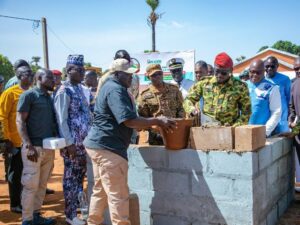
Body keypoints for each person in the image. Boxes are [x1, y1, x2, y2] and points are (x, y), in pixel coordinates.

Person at [83, 58, 176, 225]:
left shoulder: (109, 86)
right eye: (128, 75)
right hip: (109, 149)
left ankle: (93, 222)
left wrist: (151, 123)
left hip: (98, 146)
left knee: (100, 191)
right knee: (118, 196)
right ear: (118, 74)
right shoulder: (115, 90)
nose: (130, 79)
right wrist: (157, 121)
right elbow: (129, 121)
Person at [54, 54, 92, 225]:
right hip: (73, 145)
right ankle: (70, 215)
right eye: (80, 70)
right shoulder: (64, 91)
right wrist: (69, 144)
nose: (83, 73)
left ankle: (77, 211)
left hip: (84, 144)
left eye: (84, 69)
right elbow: (61, 120)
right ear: (69, 70)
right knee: (71, 179)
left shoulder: (79, 88)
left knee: (80, 178)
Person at [16, 69, 57, 225]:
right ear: (39, 78)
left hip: (48, 148)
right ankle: (27, 220)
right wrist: (28, 145)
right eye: (50, 78)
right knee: (30, 185)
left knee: (42, 184)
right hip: (33, 149)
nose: (54, 80)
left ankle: (36, 215)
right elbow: (20, 121)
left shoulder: (48, 97)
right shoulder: (29, 95)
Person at [183, 52, 251, 126]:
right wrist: (192, 110)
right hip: (207, 130)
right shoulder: (204, 83)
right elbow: (188, 99)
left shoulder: (240, 86)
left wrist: (235, 127)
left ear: (231, 70)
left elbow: (246, 112)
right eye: (217, 71)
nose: (219, 75)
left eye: (223, 73)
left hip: (229, 131)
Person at [0, 66, 34, 214]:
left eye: (32, 73)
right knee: (16, 172)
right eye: (28, 74)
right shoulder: (9, 94)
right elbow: (2, 117)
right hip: (14, 141)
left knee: (29, 172)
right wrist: (6, 139)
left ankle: (25, 200)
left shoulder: (33, 92)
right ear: (19, 76)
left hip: (31, 141)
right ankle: (15, 204)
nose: (31, 76)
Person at [138, 64, 184, 145]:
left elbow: (181, 108)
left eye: (159, 73)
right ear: (149, 77)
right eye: (154, 75)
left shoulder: (174, 89)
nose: (158, 76)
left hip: (174, 131)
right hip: (156, 136)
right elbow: (143, 117)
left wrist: (178, 124)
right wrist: (153, 127)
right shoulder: (144, 95)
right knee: (157, 157)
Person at [246, 59, 281, 137]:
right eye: (252, 71)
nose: (255, 75)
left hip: (261, 134)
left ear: (264, 72)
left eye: (258, 72)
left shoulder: (272, 88)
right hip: (243, 132)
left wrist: (265, 132)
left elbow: (276, 112)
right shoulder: (243, 86)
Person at [265, 56, 291, 134]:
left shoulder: (285, 79)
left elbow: (289, 97)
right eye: (267, 66)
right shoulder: (262, 80)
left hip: (281, 117)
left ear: (277, 66)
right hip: (268, 118)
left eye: (272, 66)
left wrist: (289, 116)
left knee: (283, 140)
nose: (269, 68)